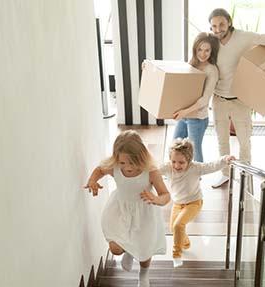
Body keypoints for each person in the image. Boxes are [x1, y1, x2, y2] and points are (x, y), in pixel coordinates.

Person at [85, 130, 171, 287]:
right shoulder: (115, 167)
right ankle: (129, 250)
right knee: (115, 249)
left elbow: (166, 195)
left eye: (132, 162)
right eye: (123, 162)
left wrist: (157, 199)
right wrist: (92, 180)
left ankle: (143, 274)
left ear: (142, 157)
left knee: (144, 250)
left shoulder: (151, 172)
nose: (127, 167)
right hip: (121, 211)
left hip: (145, 214)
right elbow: (100, 169)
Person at [208, 8, 265, 188]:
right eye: (214, 26)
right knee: (222, 140)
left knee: (244, 140)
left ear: (229, 22)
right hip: (218, 99)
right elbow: (195, 60)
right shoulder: (211, 42)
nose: (218, 29)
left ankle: (246, 173)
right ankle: (225, 174)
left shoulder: (243, 37)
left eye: (221, 24)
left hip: (240, 99)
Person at [159, 138, 235, 267]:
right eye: (174, 162)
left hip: (194, 203)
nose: (177, 166)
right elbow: (152, 170)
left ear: (189, 160)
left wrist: (224, 160)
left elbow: (211, 166)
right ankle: (185, 242)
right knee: (173, 228)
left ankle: (176, 254)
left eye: (181, 162)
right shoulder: (167, 167)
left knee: (178, 225)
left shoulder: (196, 168)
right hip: (177, 203)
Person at [172, 32, 220, 162]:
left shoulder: (212, 70)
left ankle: (196, 180)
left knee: (194, 150)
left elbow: (204, 100)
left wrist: (184, 112)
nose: (203, 54)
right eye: (200, 49)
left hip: (197, 118)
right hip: (185, 115)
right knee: (175, 146)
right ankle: (176, 175)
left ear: (211, 51)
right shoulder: (192, 64)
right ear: (195, 49)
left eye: (207, 50)